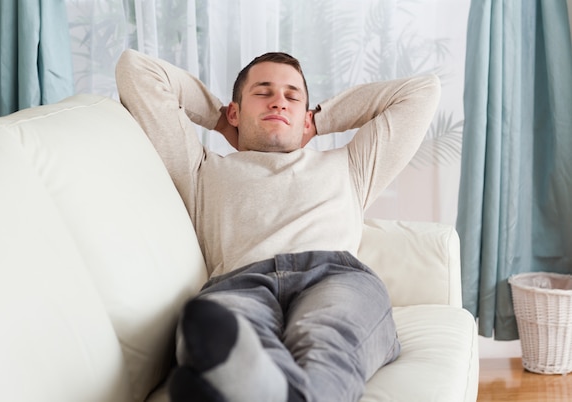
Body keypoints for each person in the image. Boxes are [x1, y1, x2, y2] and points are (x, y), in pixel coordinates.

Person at [115, 49, 440, 402]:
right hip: (240, 284)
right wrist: (222, 120)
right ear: (236, 110)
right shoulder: (200, 170)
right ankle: (261, 385)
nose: (279, 102)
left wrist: (319, 120)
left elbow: (421, 91)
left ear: (304, 117)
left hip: (335, 277)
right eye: (263, 92)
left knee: (327, 338)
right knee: (220, 329)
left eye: (292, 96)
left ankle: (257, 391)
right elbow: (137, 70)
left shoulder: (352, 165)